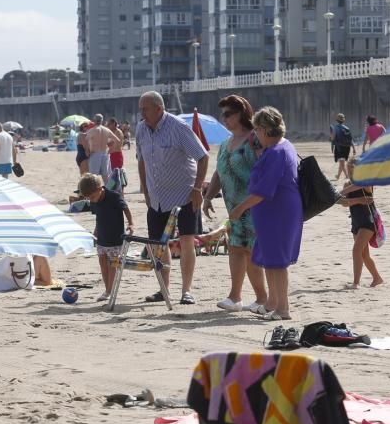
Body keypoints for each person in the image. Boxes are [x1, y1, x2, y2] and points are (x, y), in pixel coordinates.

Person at [136, 90, 209, 305]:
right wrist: (145, 190)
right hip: (156, 197)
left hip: (185, 195)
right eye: (140, 109)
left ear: (159, 109)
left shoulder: (178, 128)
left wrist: (197, 190)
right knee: (159, 245)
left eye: (145, 109)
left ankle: (186, 291)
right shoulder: (141, 129)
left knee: (187, 241)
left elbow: (203, 157)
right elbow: (141, 160)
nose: (142, 113)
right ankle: (163, 289)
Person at [229, 106, 301, 320]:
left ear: (265, 129)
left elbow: (263, 191)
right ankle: (273, 303)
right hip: (274, 213)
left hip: (278, 213)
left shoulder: (277, 152)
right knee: (271, 260)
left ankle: (283, 309)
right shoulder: (282, 147)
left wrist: (239, 208)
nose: (255, 134)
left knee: (277, 263)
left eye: (257, 129)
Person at [201, 94, 268, 313]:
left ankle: (262, 298)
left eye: (228, 114)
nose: (225, 119)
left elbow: (266, 168)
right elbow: (219, 173)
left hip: (254, 206)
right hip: (234, 209)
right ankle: (235, 297)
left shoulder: (254, 139)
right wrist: (208, 196)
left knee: (251, 251)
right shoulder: (225, 144)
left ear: (242, 114)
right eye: (223, 115)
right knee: (236, 248)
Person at [79, 174, 134, 302]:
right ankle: (107, 289)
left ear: (100, 189)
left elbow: (126, 208)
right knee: (103, 264)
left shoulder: (114, 196)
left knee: (112, 265)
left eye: (92, 197)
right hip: (102, 239)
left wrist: (131, 223)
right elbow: (99, 218)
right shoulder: (95, 201)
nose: (92, 200)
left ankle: (110, 290)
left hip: (115, 239)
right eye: (89, 198)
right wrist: (95, 233)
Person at [340, 157, 383, 288]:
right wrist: (358, 201)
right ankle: (377, 278)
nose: (351, 172)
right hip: (356, 222)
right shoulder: (347, 184)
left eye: (353, 169)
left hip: (368, 221)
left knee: (356, 250)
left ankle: (356, 283)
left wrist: (342, 192)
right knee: (364, 255)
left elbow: (358, 187)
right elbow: (342, 203)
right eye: (349, 169)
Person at [84, 114, 121, 183]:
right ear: (102, 121)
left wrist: (87, 151)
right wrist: (111, 148)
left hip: (95, 154)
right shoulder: (107, 130)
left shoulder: (92, 130)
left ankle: (94, 191)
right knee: (106, 176)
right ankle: (108, 191)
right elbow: (118, 140)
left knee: (93, 176)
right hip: (105, 153)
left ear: (94, 120)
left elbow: (86, 141)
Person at [330, 113, 355, 181]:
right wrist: (354, 148)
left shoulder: (335, 128)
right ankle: (338, 176)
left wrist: (331, 137)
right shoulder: (347, 128)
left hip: (339, 147)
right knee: (342, 162)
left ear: (337, 120)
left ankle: (347, 176)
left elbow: (332, 138)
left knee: (342, 163)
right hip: (347, 148)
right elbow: (350, 139)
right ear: (343, 120)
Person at [105, 118, 127, 191]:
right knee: (112, 174)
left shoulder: (118, 132)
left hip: (117, 154)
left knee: (118, 173)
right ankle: (113, 189)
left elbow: (117, 144)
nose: (108, 126)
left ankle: (119, 190)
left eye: (109, 124)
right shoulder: (112, 132)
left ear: (114, 124)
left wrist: (110, 144)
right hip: (112, 155)